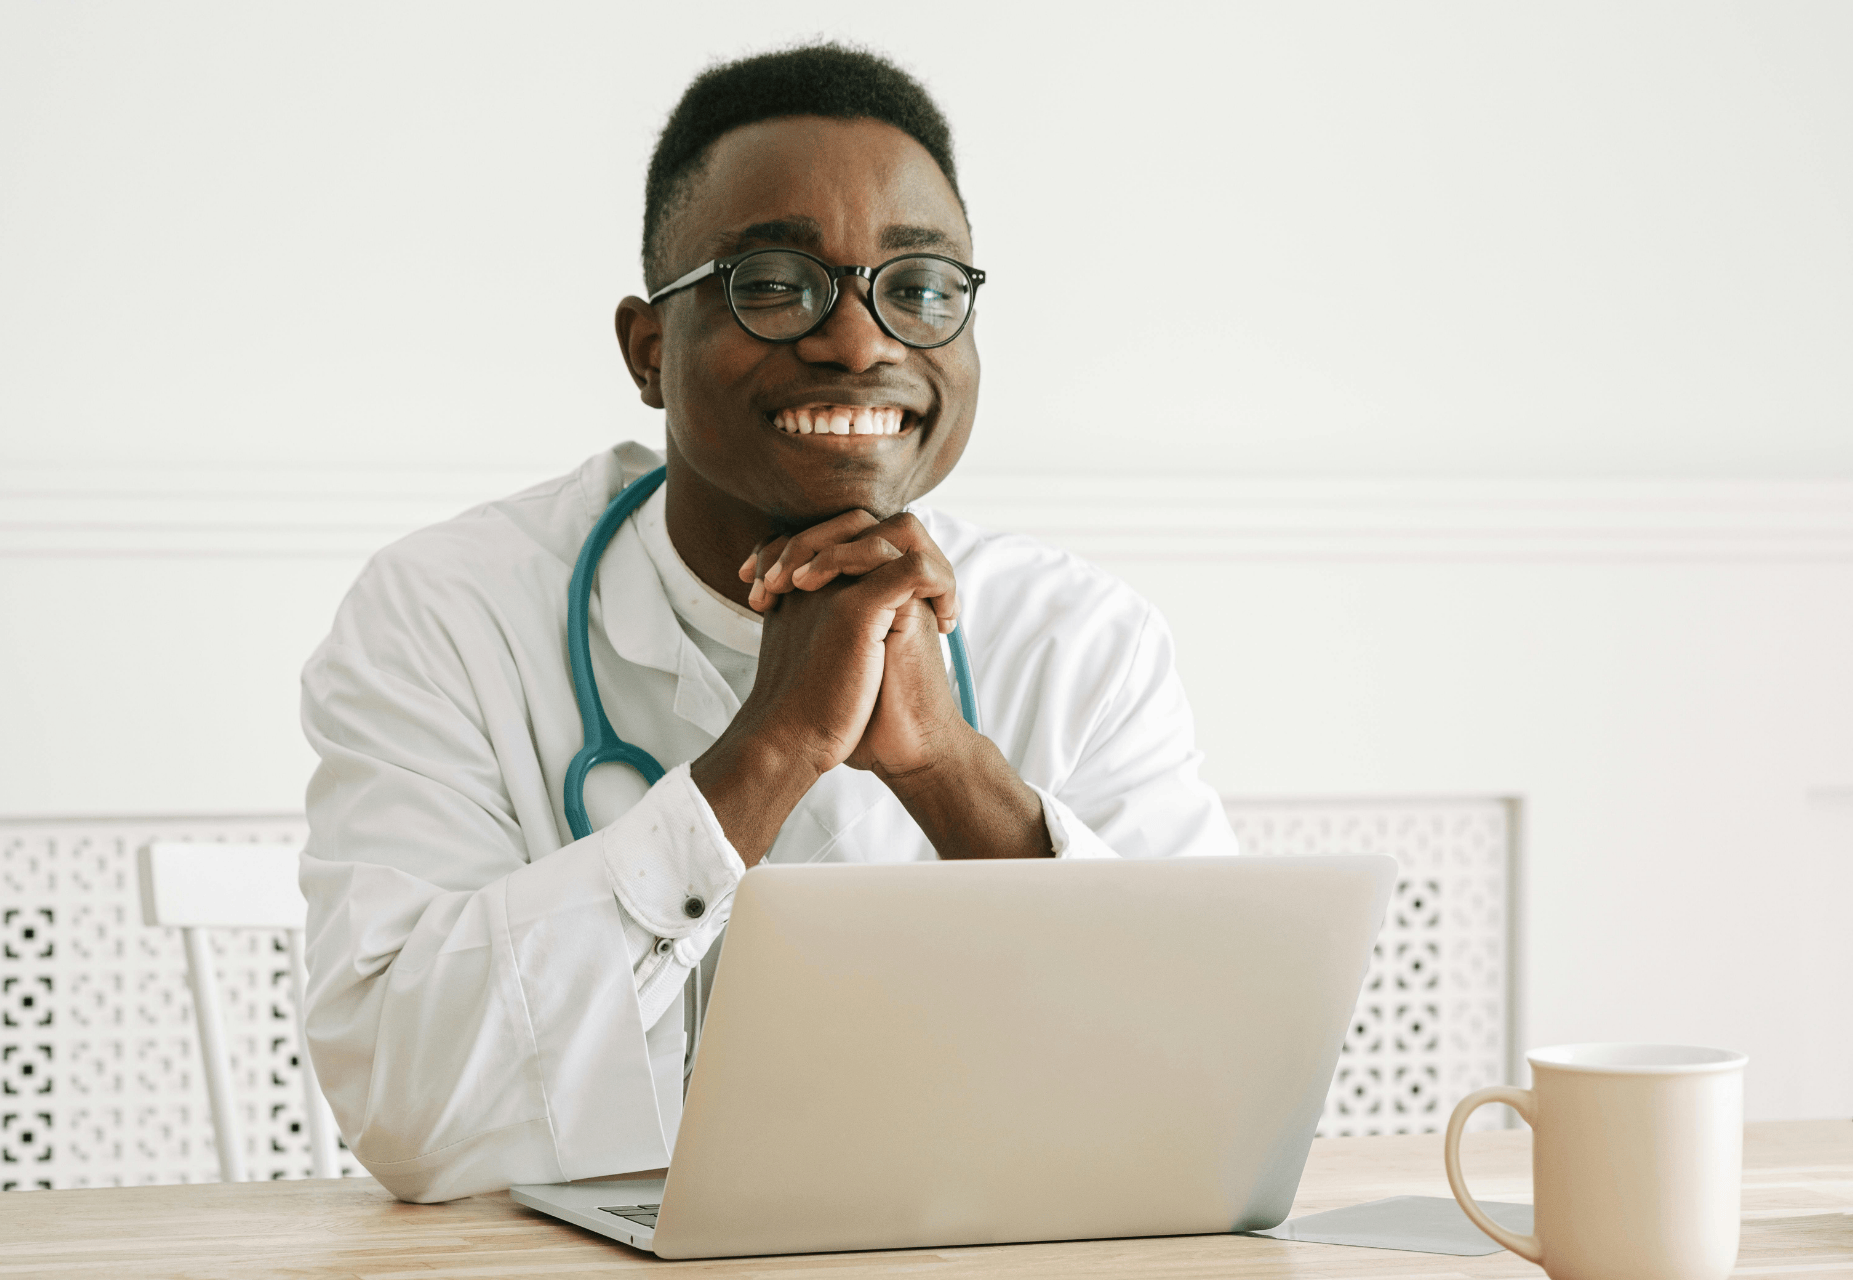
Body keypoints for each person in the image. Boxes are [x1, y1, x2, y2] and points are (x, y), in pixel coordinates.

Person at [298, 42, 1237, 1205]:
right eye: (776, 283)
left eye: (922, 286)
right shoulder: (447, 612)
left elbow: (1222, 1095)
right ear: (650, 349)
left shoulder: (1079, 636)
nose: (860, 341)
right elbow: (410, 1110)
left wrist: (950, 771)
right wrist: (769, 751)